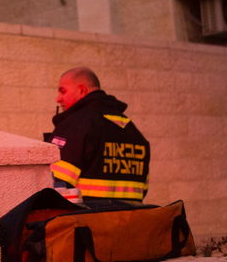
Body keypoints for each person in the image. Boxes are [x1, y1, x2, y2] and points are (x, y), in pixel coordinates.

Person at [45, 67, 150, 207]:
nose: (58, 99)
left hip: (86, 223)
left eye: (62, 91)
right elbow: (142, 189)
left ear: (81, 90)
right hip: (129, 224)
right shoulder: (134, 133)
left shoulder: (75, 125)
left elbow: (54, 185)